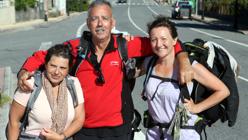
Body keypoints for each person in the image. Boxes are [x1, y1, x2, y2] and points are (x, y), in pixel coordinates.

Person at [17, 1, 194, 139]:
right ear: (88, 23)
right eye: (95, 19)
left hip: (119, 129)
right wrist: (24, 71)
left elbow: (167, 43)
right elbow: (43, 56)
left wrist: (183, 59)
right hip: (83, 129)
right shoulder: (77, 48)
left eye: (105, 18)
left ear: (112, 23)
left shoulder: (125, 45)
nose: (100, 23)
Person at [137, 15, 230, 140]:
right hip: (154, 133)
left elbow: (223, 91)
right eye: (154, 39)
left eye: (164, 39)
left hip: (183, 134)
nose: (159, 44)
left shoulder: (189, 66)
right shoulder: (149, 63)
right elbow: (128, 73)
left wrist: (197, 107)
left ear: (174, 40)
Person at [7, 44, 85, 140]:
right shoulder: (30, 85)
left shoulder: (73, 83)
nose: (57, 72)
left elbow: (79, 119)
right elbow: (13, 122)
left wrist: (61, 137)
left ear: (68, 69)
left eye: (62, 68)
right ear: (45, 64)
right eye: (53, 66)